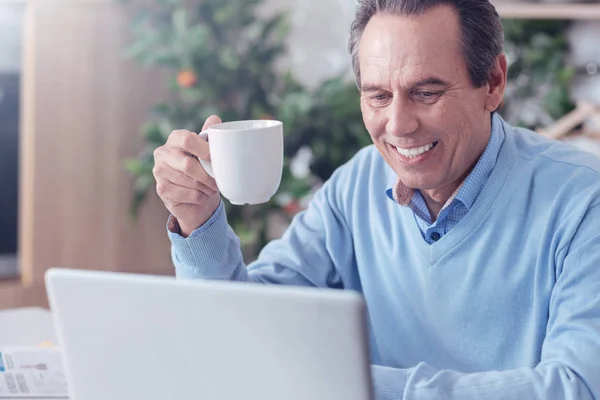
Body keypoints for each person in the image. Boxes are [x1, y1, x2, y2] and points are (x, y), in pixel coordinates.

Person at [151, 0, 600, 398]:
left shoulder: (584, 202)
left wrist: (355, 385)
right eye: (379, 96)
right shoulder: (357, 185)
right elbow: (244, 334)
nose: (399, 125)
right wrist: (199, 222)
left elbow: (576, 386)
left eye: (427, 93)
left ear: (494, 83)